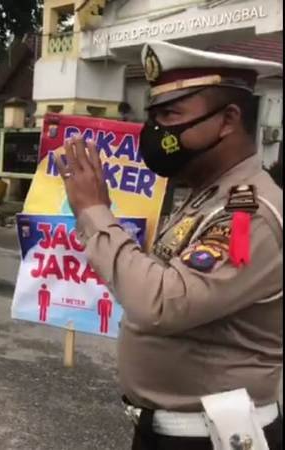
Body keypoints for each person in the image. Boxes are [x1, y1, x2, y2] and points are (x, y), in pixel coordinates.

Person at [54, 40, 283, 449]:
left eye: (170, 114)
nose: (156, 131)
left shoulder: (249, 215)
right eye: (153, 116)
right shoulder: (206, 198)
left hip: (214, 437)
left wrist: (94, 210)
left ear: (228, 119)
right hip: (175, 431)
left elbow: (162, 302)